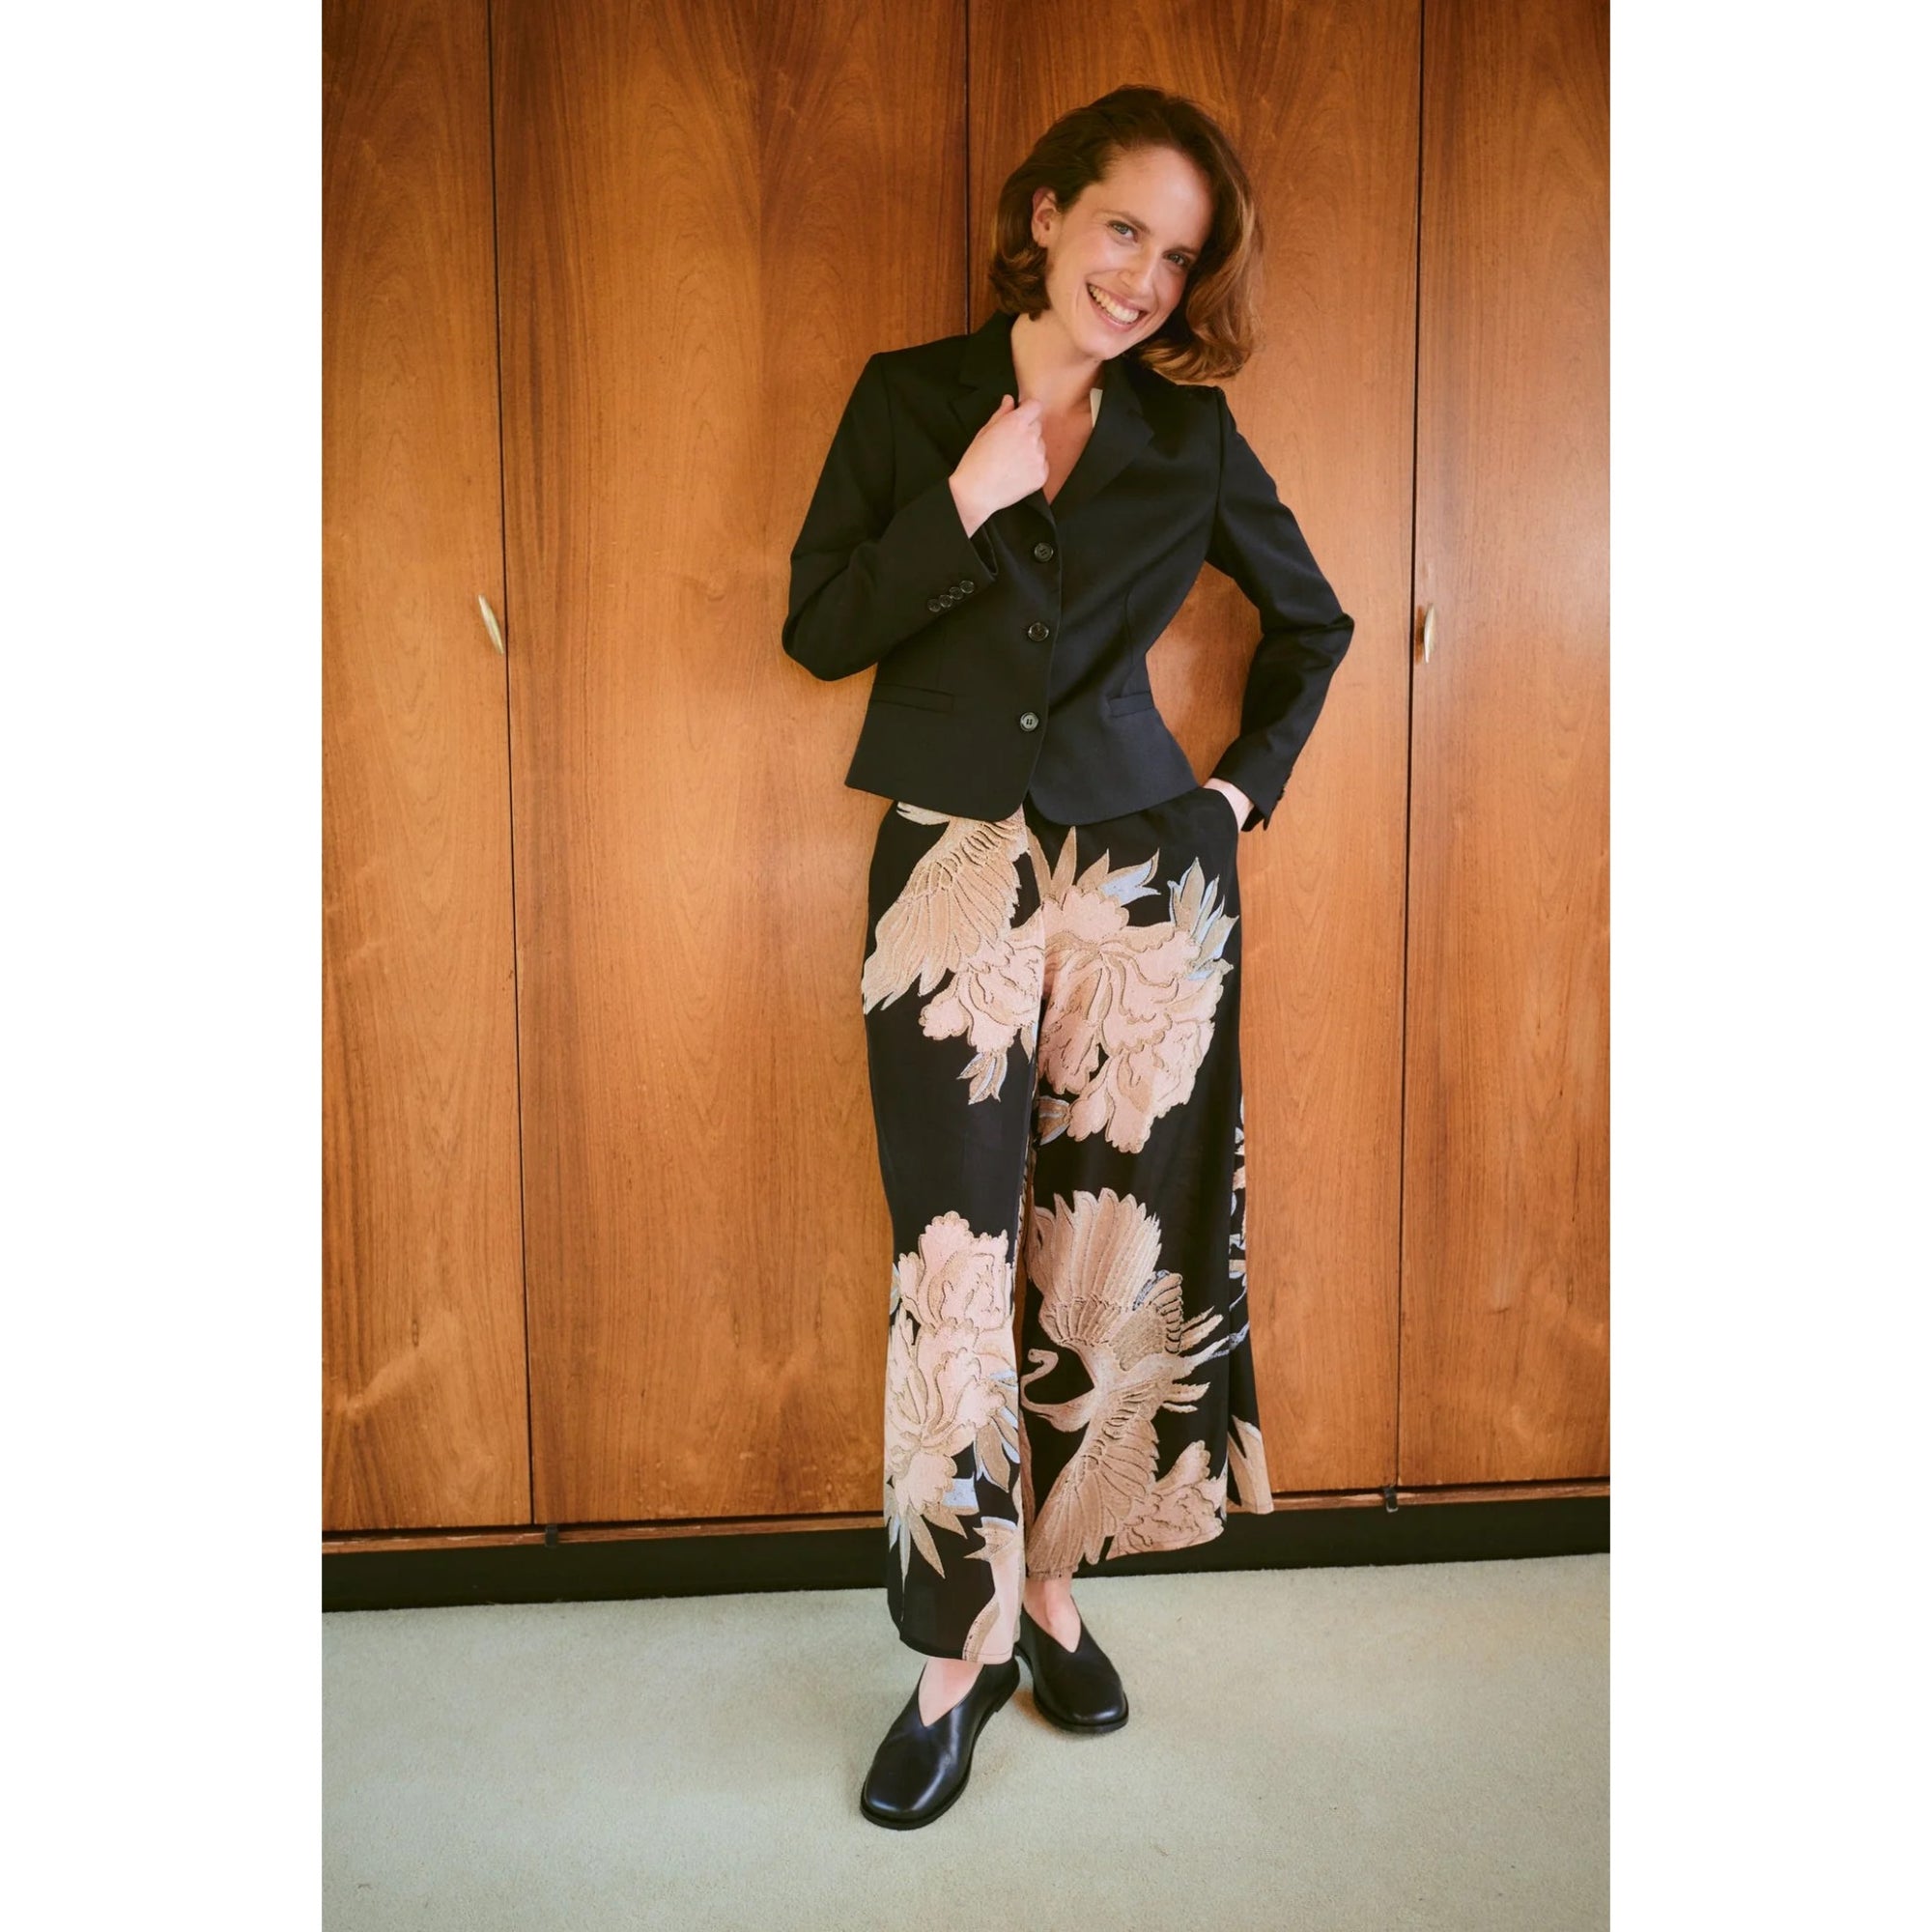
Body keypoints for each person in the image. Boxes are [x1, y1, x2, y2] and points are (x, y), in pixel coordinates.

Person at [781, 85, 1354, 1830]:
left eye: (1179, 258)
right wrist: (964, 494)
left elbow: (1310, 624)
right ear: (1044, 213)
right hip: (946, 867)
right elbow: (818, 630)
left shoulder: (1190, 433)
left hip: (1137, 887)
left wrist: (1239, 792)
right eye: (1124, 231)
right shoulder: (908, 398)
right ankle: (951, 1661)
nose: (1146, 279)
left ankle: (1053, 1594)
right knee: (953, 1258)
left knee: (1102, 1266)